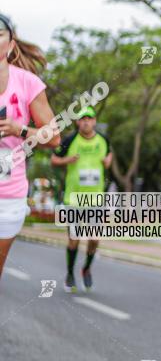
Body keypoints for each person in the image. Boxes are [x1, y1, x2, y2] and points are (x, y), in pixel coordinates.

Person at [0, 13, 62, 281]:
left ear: (11, 45)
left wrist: (19, 129)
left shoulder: (27, 83)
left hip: (8, 194)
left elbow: (54, 138)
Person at [51, 106, 112, 292]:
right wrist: (66, 161)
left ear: (94, 121)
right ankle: (70, 273)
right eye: (82, 118)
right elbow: (54, 159)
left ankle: (86, 269)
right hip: (74, 199)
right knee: (74, 239)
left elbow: (109, 153)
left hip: (95, 200)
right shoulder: (69, 140)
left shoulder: (103, 140)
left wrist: (108, 160)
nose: (86, 121)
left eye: (89, 118)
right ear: (78, 122)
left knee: (94, 239)